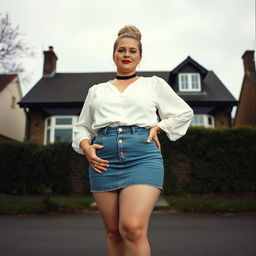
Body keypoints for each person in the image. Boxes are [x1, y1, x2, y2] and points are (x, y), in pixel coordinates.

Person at [72, 25, 194, 256]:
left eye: (132, 51)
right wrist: (86, 147)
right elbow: (82, 127)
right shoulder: (96, 90)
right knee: (114, 233)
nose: (126, 54)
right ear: (113, 55)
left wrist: (159, 126)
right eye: (121, 50)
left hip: (142, 156)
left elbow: (183, 112)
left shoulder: (153, 84)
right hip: (103, 161)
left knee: (132, 228)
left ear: (140, 57)